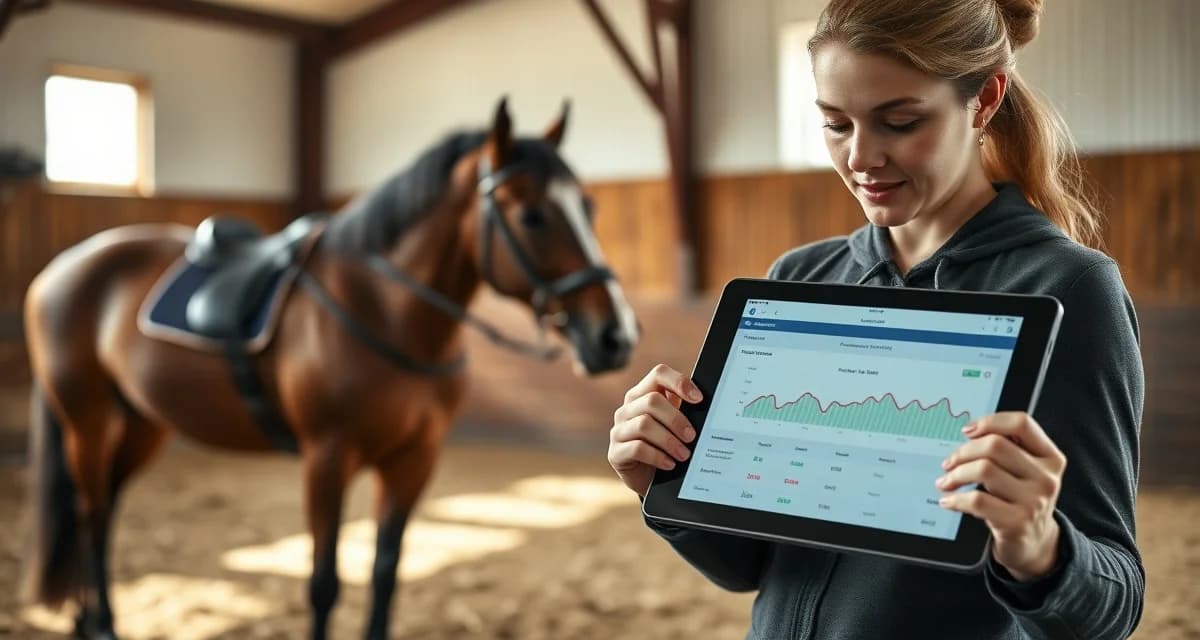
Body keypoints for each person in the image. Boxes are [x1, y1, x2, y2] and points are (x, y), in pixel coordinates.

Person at [607, 0, 1145, 638]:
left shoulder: (1070, 287)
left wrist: (1038, 550)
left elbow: (1115, 605)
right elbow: (747, 567)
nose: (861, 156)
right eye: (836, 123)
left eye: (900, 122)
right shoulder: (798, 278)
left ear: (986, 98)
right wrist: (662, 485)